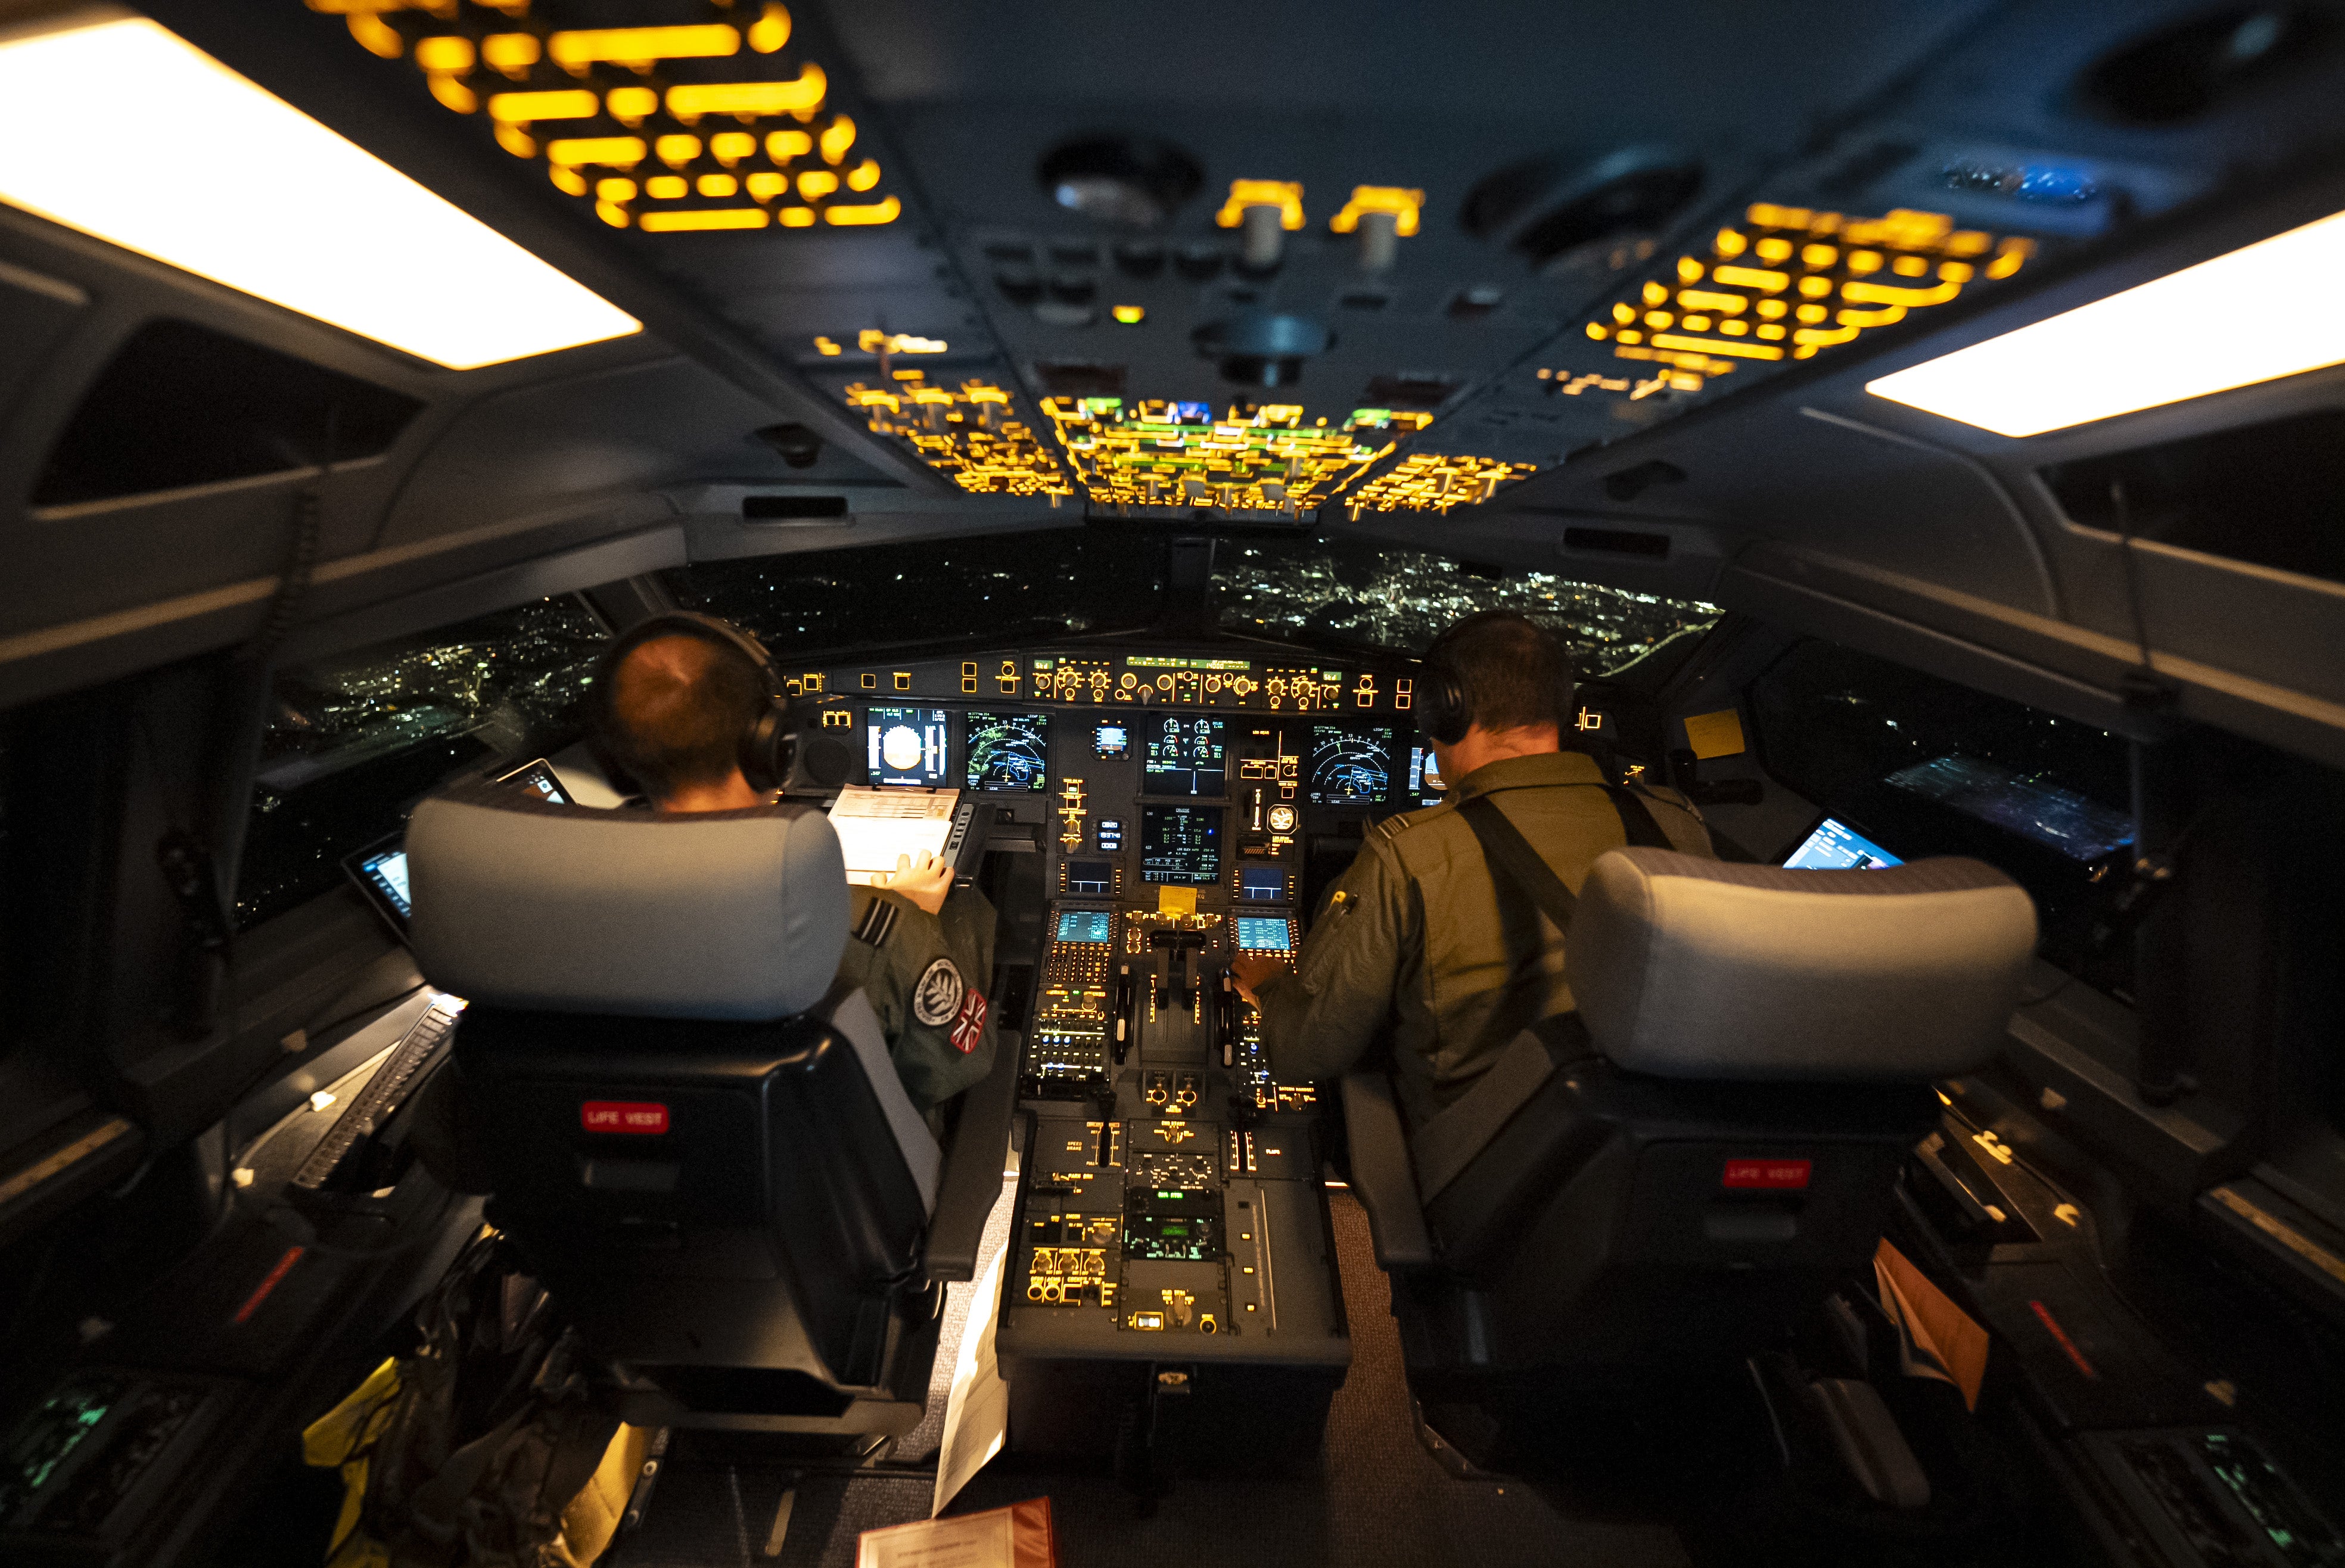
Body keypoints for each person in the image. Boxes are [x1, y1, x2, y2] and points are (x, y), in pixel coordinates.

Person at [1229, 611, 1713, 1129]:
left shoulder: (1411, 853)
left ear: (1444, 709)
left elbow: (1306, 1052)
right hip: (1658, 1134)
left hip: (1479, 1152)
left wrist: (1269, 988)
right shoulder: (1675, 824)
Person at [592, 626, 999, 1115]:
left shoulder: (579, 907)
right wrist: (917, 919)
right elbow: (963, 1062)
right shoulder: (881, 931)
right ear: (771, 748)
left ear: (616, 760)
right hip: (839, 1153)